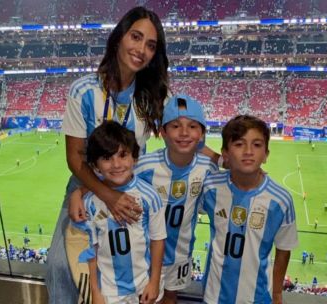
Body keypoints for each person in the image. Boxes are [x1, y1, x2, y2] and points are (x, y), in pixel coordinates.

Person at [48, 7, 170, 303]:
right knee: (61, 269)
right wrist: (91, 193)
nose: (141, 50)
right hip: (86, 188)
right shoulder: (83, 92)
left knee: (128, 274)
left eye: (151, 45)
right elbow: (75, 157)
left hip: (128, 192)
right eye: (136, 37)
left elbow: (184, 131)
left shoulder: (150, 98)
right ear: (118, 38)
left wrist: (220, 158)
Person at [199, 115, 298, 304]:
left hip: (258, 298)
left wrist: (276, 294)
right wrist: (218, 160)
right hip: (213, 296)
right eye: (239, 144)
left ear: (266, 154)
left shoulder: (280, 200)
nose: (248, 151)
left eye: (257, 145)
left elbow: (284, 250)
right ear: (225, 153)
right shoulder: (210, 188)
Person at [134, 94, 216, 303]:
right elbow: (116, 183)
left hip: (181, 254)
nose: (184, 133)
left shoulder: (207, 170)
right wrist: (80, 192)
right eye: (176, 126)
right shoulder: (145, 166)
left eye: (192, 126)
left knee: (170, 298)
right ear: (162, 132)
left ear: (202, 134)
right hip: (145, 253)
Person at [73, 121, 166, 303]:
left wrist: (154, 282)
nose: (116, 164)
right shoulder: (90, 202)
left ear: (134, 158)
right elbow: (92, 249)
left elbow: (157, 240)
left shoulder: (150, 196)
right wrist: (96, 292)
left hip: (143, 285)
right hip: (109, 292)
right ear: (95, 165)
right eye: (107, 158)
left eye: (123, 155)